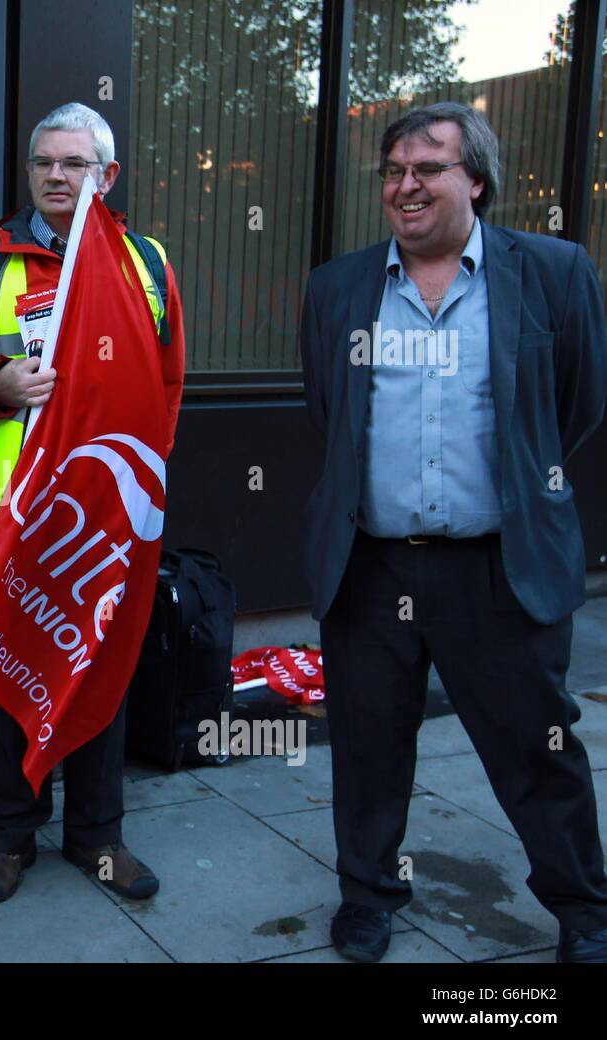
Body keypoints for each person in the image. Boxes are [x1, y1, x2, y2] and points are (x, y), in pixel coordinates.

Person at [300, 102, 607, 964]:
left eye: (428, 168)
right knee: (366, 746)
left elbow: (574, 402)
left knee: (538, 749)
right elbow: (329, 413)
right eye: (393, 171)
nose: (406, 185)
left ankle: (584, 908)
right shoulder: (338, 287)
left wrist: (520, 476)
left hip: (498, 568)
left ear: (475, 179)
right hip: (371, 566)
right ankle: (368, 894)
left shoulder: (550, 271)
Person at [0, 102, 185, 904]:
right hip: (8, 511)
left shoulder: (145, 263)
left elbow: (167, 383)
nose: (55, 176)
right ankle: (9, 841)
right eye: (44, 162)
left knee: (99, 674)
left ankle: (99, 836)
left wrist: (139, 491)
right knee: (7, 677)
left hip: (102, 523)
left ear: (105, 177)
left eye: (74, 164)